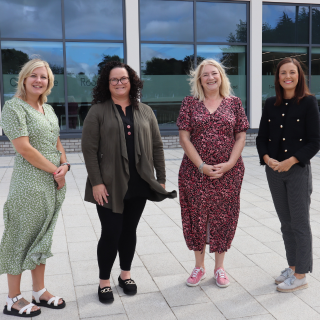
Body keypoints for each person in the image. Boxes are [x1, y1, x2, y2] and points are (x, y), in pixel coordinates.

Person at [81, 61, 176, 303]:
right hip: (109, 184)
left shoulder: (144, 110)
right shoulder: (98, 111)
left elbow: (157, 146)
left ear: (131, 81)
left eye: (123, 78)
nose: (119, 83)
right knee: (111, 232)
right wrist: (97, 183)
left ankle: (125, 275)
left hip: (139, 184)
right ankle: (104, 281)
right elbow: (89, 150)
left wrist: (161, 178)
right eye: (114, 79)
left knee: (129, 230)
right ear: (107, 83)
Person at [0, 59, 68, 317]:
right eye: (34, 76)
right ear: (24, 79)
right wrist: (55, 170)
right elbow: (24, 149)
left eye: (44, 77)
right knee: (20, 238)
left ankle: (39, 292)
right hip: (29, 186)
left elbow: (57, 142)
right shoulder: (13, 107)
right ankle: (13, 299)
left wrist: (65, 164)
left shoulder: (47, 109)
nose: (39, 80)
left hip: (52, 184)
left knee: (42, 238)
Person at [177, 58, 249, 288]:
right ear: (199, 79)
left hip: (228, 173)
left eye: (214, 73)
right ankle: (199, 267)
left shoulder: (234, 103)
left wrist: (229, 164)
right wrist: (201, 166)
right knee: (197, 218)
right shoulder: (190, 103)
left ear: (221, 77)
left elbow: (241, 136)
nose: (210, 77)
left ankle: (219, 268)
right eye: (205, 74)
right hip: (194, 172)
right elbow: (184, 137)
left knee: (223, 218)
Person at [256, 57, 320, 293]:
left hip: (297, 172)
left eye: (292, 72)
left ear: (299, 75)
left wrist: (291, 161)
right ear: (278, 77)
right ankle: (292, 267)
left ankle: (301, 274)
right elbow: (261, 138)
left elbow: (315, 142)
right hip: (274, 172)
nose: (287, 77)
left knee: (300, 223)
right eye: (283, 73)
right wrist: (267, 159)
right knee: (286, 223)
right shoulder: (271, 103)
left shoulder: (309, 103)